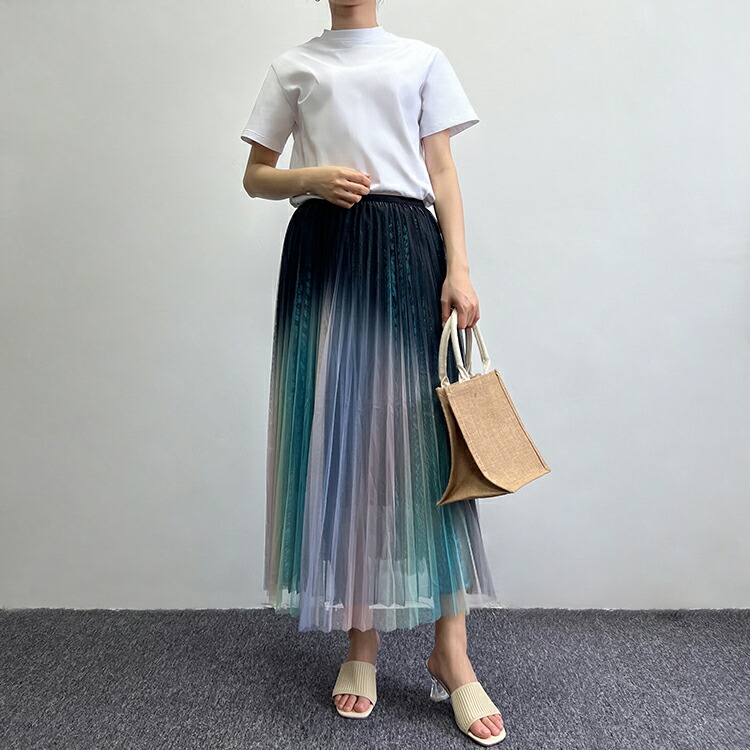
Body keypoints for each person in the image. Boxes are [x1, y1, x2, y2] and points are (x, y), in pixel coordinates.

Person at [240, 0, 506, 744]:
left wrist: (459, 269)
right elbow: (255, 177)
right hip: (326, 254)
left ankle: (452, 652)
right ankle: (362, 645)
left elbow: (442, 170)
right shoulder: (295, 66)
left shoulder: (421, 59)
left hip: (407, 247)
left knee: (428, 448)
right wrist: (312, 177)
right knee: (348, 444)